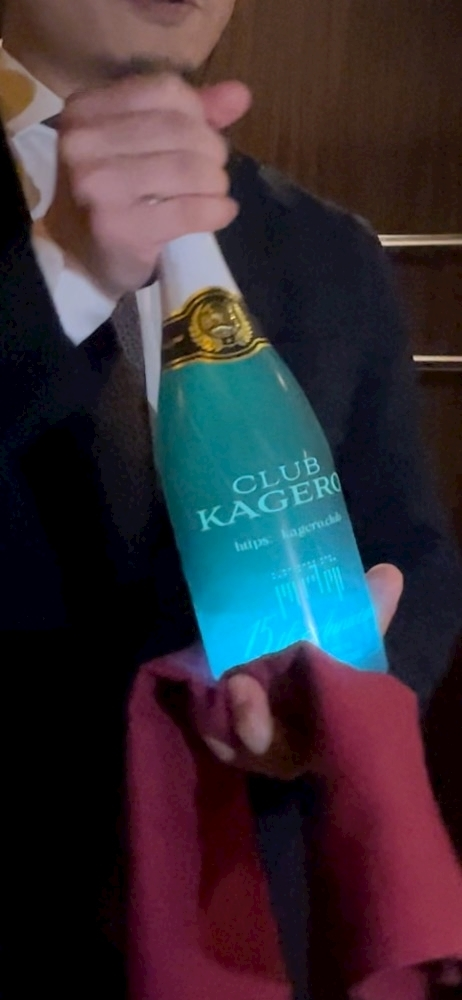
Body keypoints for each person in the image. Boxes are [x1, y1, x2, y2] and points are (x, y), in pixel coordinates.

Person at [1, 0, 461, 996]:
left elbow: (413, 547)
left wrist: (344, 695)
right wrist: (58, 282)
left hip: (256, 910)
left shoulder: (329, 248)